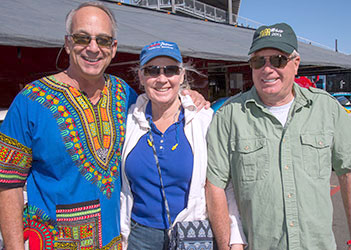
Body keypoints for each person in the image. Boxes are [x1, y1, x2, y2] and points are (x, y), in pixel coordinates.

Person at [0, 3, 208, 250]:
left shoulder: (123, 95)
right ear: (67, 44)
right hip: (51, 243)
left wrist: (189, 97)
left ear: (114, 48)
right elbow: (7, 183)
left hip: (116, 241)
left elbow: (162, 101)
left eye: (103, 40)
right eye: (82, 38)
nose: (93, 48)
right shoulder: (29, 101)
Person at [205, 22, 351, 250]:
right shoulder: (228, 116)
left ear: (296, 63)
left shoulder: (328, 109)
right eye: (258, 61)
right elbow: (214, 186)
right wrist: (227, 245)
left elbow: (347, 172)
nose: (267, 68)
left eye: (278, 60)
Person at [119, 40, 247, 250]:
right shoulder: (127, 120)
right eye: (152, 70)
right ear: (141, 77)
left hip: (192, 234)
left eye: (170, 70)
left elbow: (224, 185)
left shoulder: (204, 120)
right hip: (139, 237)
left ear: (182, 75)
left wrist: (235, 239)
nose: (162, 79)